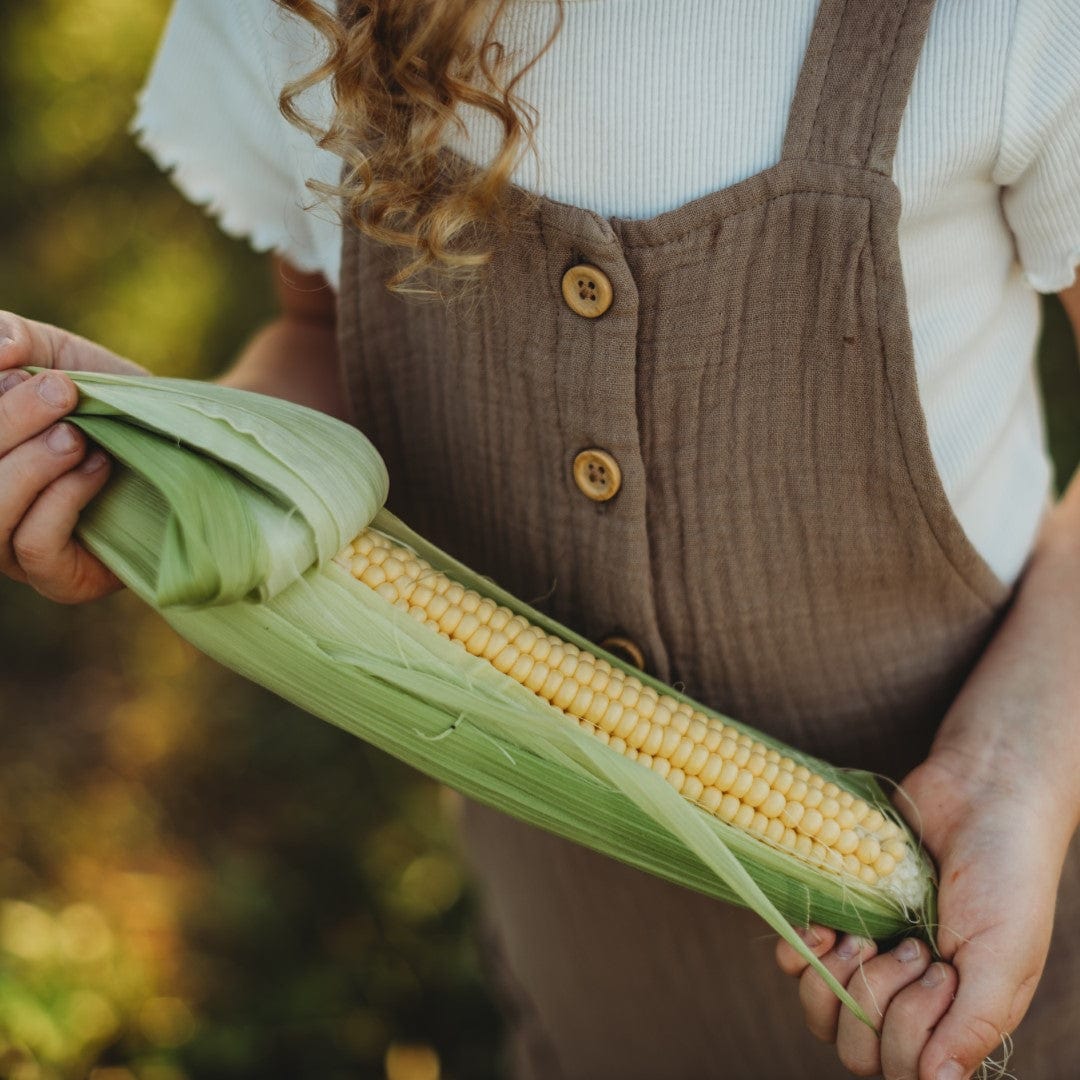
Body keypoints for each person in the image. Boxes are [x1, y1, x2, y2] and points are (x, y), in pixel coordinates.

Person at [2, 1, 1079, 1076]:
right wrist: (175, 474)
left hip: (1000, 875)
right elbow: (324, 331)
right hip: (580, 939)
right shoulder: (306, 19)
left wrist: (1016, 769)